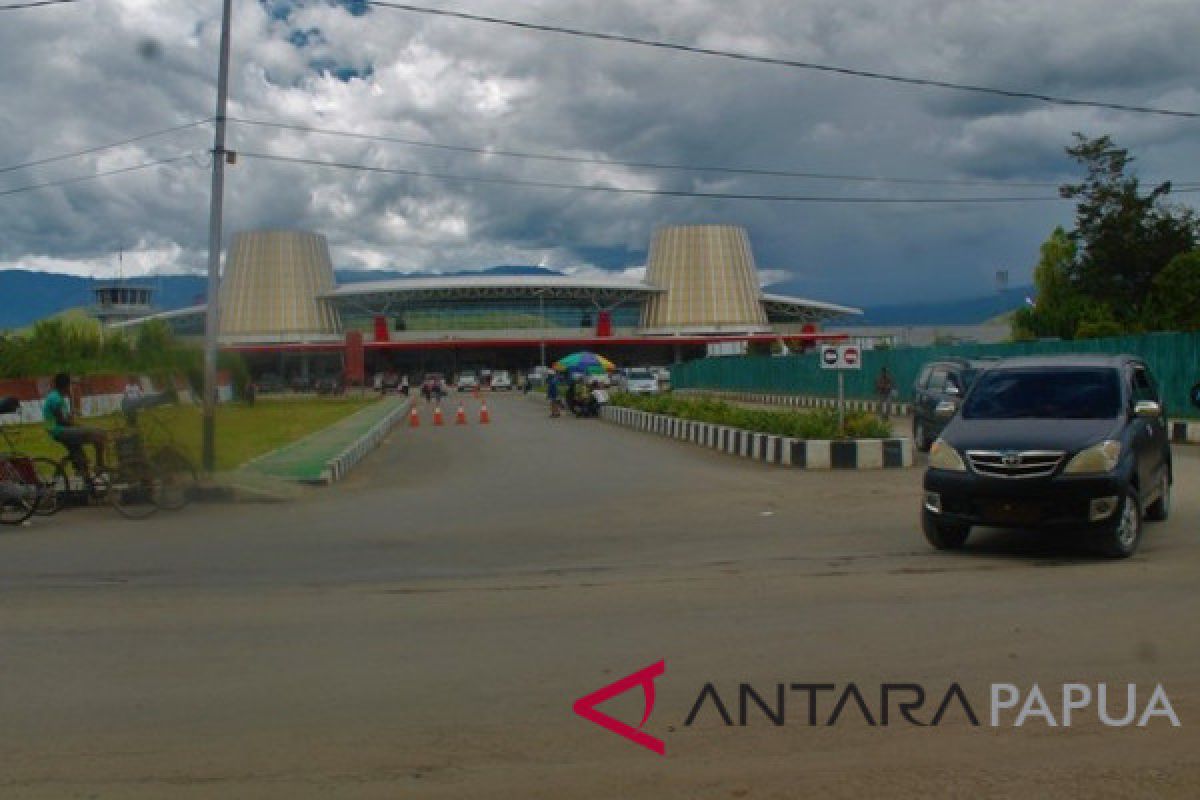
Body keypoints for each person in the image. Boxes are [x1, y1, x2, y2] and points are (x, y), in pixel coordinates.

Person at [43, 372, 108, 480]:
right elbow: (62, 421)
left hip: (60, 430)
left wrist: (74, 421)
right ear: (66, 386)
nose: (71, 388)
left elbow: (64, 418)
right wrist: (78, 426)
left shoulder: (57, 396)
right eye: (70, 385)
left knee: (80, 458)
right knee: (99, 435)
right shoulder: (56, 399)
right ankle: (100, 466)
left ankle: (84, 477)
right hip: (59, 431)